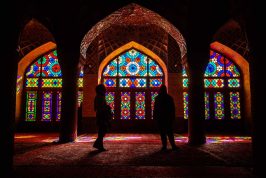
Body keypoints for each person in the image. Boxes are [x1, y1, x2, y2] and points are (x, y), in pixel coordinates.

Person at [153, 85, 179, 151]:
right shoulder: (169, 98)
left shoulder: (157, 98)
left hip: (161, 118)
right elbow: (172, 109)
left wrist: (155, 117)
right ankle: (173, 145)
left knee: (163, 133)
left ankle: (164, 146)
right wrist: (173, 117)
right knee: (170, 133)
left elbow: (155, 109)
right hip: (168, 118)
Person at [93, 84, 112, 151]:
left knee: (102, 131)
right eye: (104, 89)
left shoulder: (99, 96)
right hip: (102, 116)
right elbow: (100, 108)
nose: (105, 90)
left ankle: (99, 145)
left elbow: (97, 108)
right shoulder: (99, 97)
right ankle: (98, 145)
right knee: (102, 131)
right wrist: (107, 108)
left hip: (101, 116)